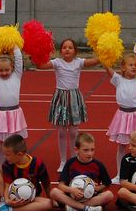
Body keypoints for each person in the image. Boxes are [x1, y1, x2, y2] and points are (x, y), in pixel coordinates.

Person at [36, 39, 100, 173]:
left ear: (75, 51)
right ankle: (63, 161)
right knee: (61, 132)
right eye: (64, 47)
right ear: (61, 50)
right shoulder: (57, 62)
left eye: (70, 47)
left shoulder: (79, 62)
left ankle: (74, 158)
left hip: (74, 98)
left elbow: (95, 61)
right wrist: (36, 54)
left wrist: (102, 50)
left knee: (73, 132)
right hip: (61, 99)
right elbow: (41, 66)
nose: (67, 49)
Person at [104, 53, 136, 184]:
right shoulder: (118, 80)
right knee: (122, 146)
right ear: (123, 67)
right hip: (123, 116)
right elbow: (108, 68)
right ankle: (120, 174)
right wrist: (104, 55)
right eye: (131, 65)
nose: (134, 67)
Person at [50, 132, 114, 211]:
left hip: (91, 197)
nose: (90, 153)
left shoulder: (98, 165)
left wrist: (97, 188)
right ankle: (87, 208)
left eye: (92, 150)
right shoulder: (70, 163)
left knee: (109, 195)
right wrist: (71, 190)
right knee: (54, 192)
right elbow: (61, 185)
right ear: (76, 150)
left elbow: (107, 183)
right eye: (86, 150)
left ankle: (74, 208)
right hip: (72, 196)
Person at [0, 134, 52, 211]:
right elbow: (7, 185)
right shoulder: (8, 165)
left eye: (8, 155)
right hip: (12, 198)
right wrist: (7, 200)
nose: (5, 157)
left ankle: (9, 209)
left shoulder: (38, 164)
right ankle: (4, 202)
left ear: (20, 154)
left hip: (30, 198)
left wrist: (52, 199)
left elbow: (46, 184)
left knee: (48, 204)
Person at [0, 48, 27, 164]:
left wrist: (13, 45)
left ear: (13, 67)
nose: (4, 72)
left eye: (7, 70)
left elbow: (19, 58)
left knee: (15, 145)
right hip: (0, 115)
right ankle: (0, 166)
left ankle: (15, 165)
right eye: (0, 70)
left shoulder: (17, 75)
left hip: (14, 114)